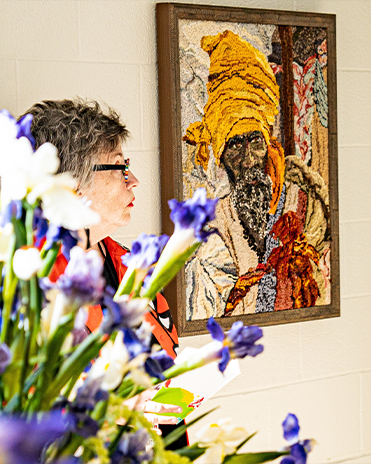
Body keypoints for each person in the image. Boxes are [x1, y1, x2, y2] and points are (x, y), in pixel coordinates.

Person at [22, 99, 184, 438]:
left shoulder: (130, 263)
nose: (134, 180)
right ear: (72, 185)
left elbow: (164, 358)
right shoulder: (34, 277)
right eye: (119, 167)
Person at [182, 30, 331, 319]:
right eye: (235, 145)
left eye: (255, 142)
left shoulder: (307, 205)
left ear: (270, 144)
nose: (248, 159)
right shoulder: (215, 223)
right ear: (222, 156)